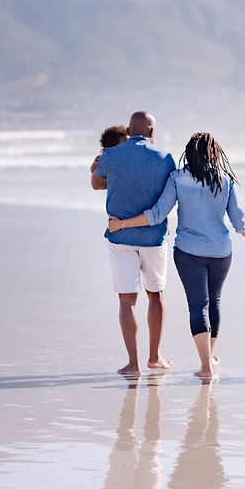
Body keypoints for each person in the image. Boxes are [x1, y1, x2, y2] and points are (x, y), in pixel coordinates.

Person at [109, 132, 245, 380]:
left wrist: (122, 224)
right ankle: (208, 358)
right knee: (213, 302)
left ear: (189, 154)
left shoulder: (178, 178)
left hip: (189, 252)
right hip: (220, 252)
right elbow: (239, 220)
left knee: (198, 304)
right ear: (214, 154)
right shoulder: (224, 181)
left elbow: (157, 214)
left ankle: (206, 366)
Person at [92, 111, 176, 377]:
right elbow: (171, 192)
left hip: (119, 237)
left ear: (129, 131)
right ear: (152, 132)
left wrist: (116, 178)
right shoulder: (165, 158)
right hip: (153, 238)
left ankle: (133, 364)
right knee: (156, 294)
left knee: (127, 300)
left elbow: (96, 184)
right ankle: (155, 357)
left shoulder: (111, 156)